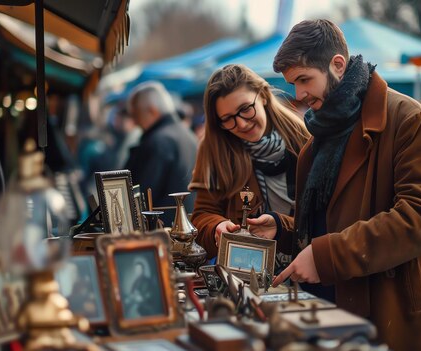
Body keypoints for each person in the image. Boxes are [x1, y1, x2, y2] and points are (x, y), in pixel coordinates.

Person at [247, 19, 421, 351]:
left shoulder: (408, 119)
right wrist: (283, 230)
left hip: (391, 315)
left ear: (337, 65)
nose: (298, 95)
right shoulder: (316, 141)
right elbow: (327, 222)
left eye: (304, 80)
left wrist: (327, 257)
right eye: (292, 83)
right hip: (333, 312)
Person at [190, 64, 310, 259]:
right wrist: (216, 227)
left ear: (263, 95)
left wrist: (281, 226)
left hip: (304, 266)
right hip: (243, 269)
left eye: (245, 109)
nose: (241, 124)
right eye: (227, 119)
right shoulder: (214, 147)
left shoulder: (304, 137)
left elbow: (324, 219)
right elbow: (203, 214)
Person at [125, 82, 198, 226]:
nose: (134, 122)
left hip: (163, 233)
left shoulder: (158, 141)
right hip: (186, 225)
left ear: (152, 110)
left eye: (136, 114)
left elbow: (140, 197)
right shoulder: (187, 134)